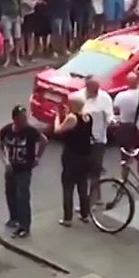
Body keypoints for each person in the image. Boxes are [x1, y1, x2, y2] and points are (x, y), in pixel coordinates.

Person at [0, 105, 47, 238]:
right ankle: (13, 218)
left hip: (24, 169)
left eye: (25, 117)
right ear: (15, 119)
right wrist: (5, 160)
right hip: (11, 168)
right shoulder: (6, 130)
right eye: (22, 118)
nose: (25, 120)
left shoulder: (30, 131)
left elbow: (44, 141)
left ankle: (24, 225)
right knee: (10, 193)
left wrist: (37, 158)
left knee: (22, 197)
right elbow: (1, 145)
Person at [53, 96, 95, 226]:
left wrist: (57, 118)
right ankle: (84, 214)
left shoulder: (72, 118)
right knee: (82, 185)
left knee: (68, 187)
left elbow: (58, 130)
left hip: (72, 156)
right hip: (85, 156)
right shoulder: (87, 117)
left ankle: (67, 218)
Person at [111, 73, 139, 190]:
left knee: (125, 157)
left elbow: (116, 110)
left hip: (125, 128)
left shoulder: (121, 96)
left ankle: (123, 182)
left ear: (127, 82)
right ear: (138, 82)